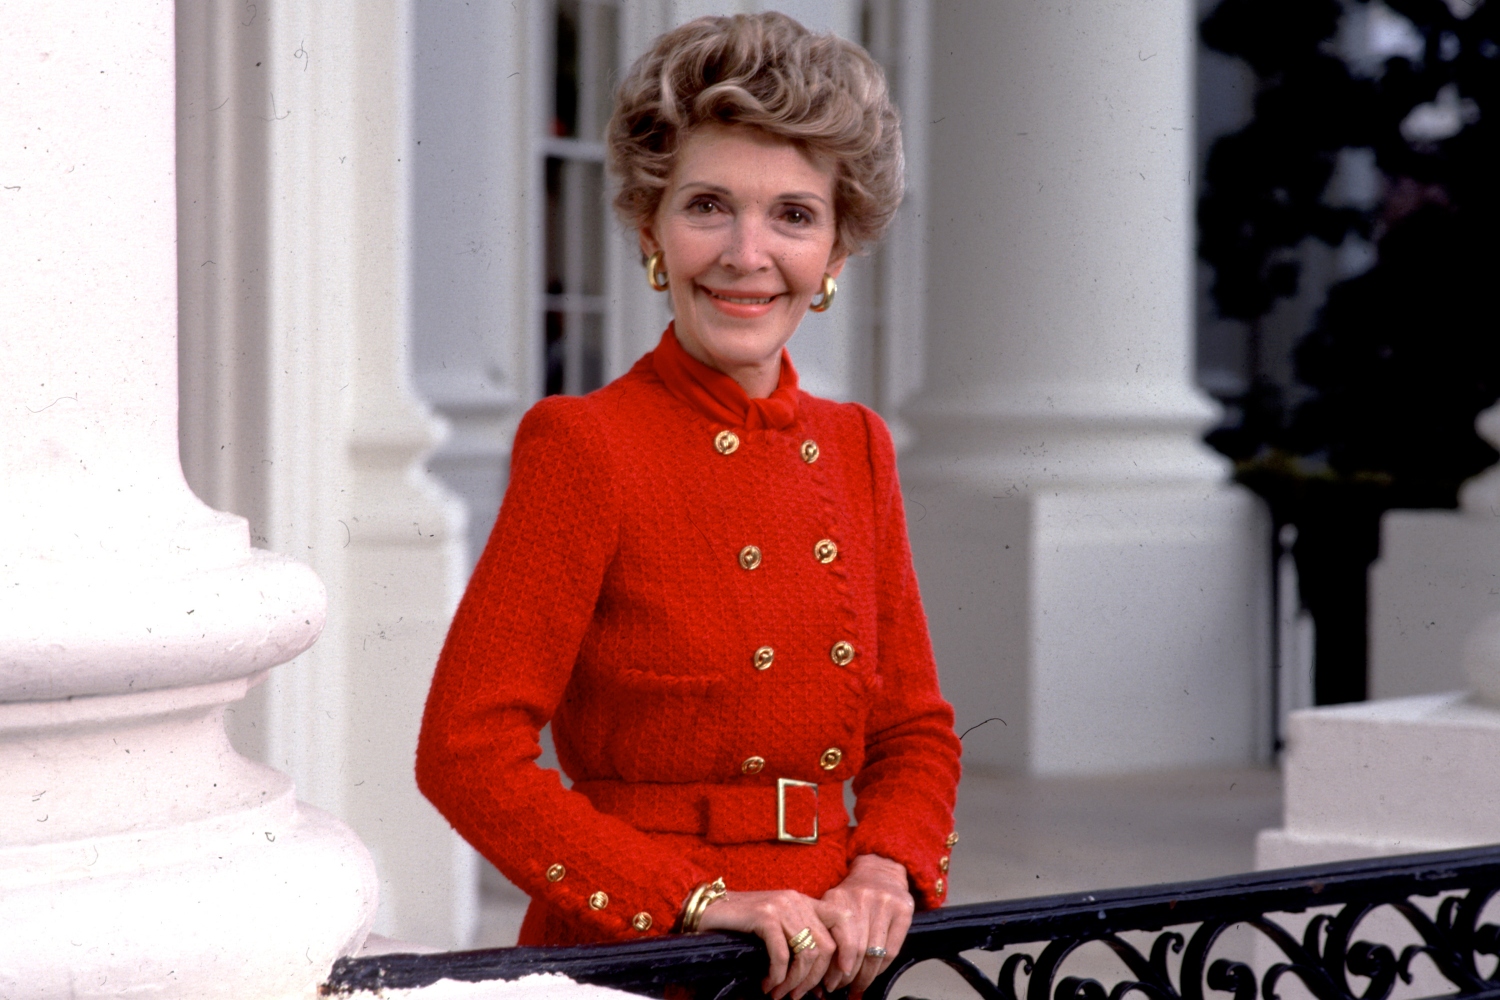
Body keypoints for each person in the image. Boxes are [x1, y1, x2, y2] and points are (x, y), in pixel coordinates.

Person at [416, 13, 962, 1000]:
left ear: (838, 248)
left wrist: (887, 862)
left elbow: (913, 727)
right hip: (645, 953)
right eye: (709, 205)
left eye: (794, 215)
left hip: (837, 951)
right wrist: (691, 897)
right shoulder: (584, 442)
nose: (748, 254)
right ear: (649, 228)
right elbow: (465, 754)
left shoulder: (858, 447)